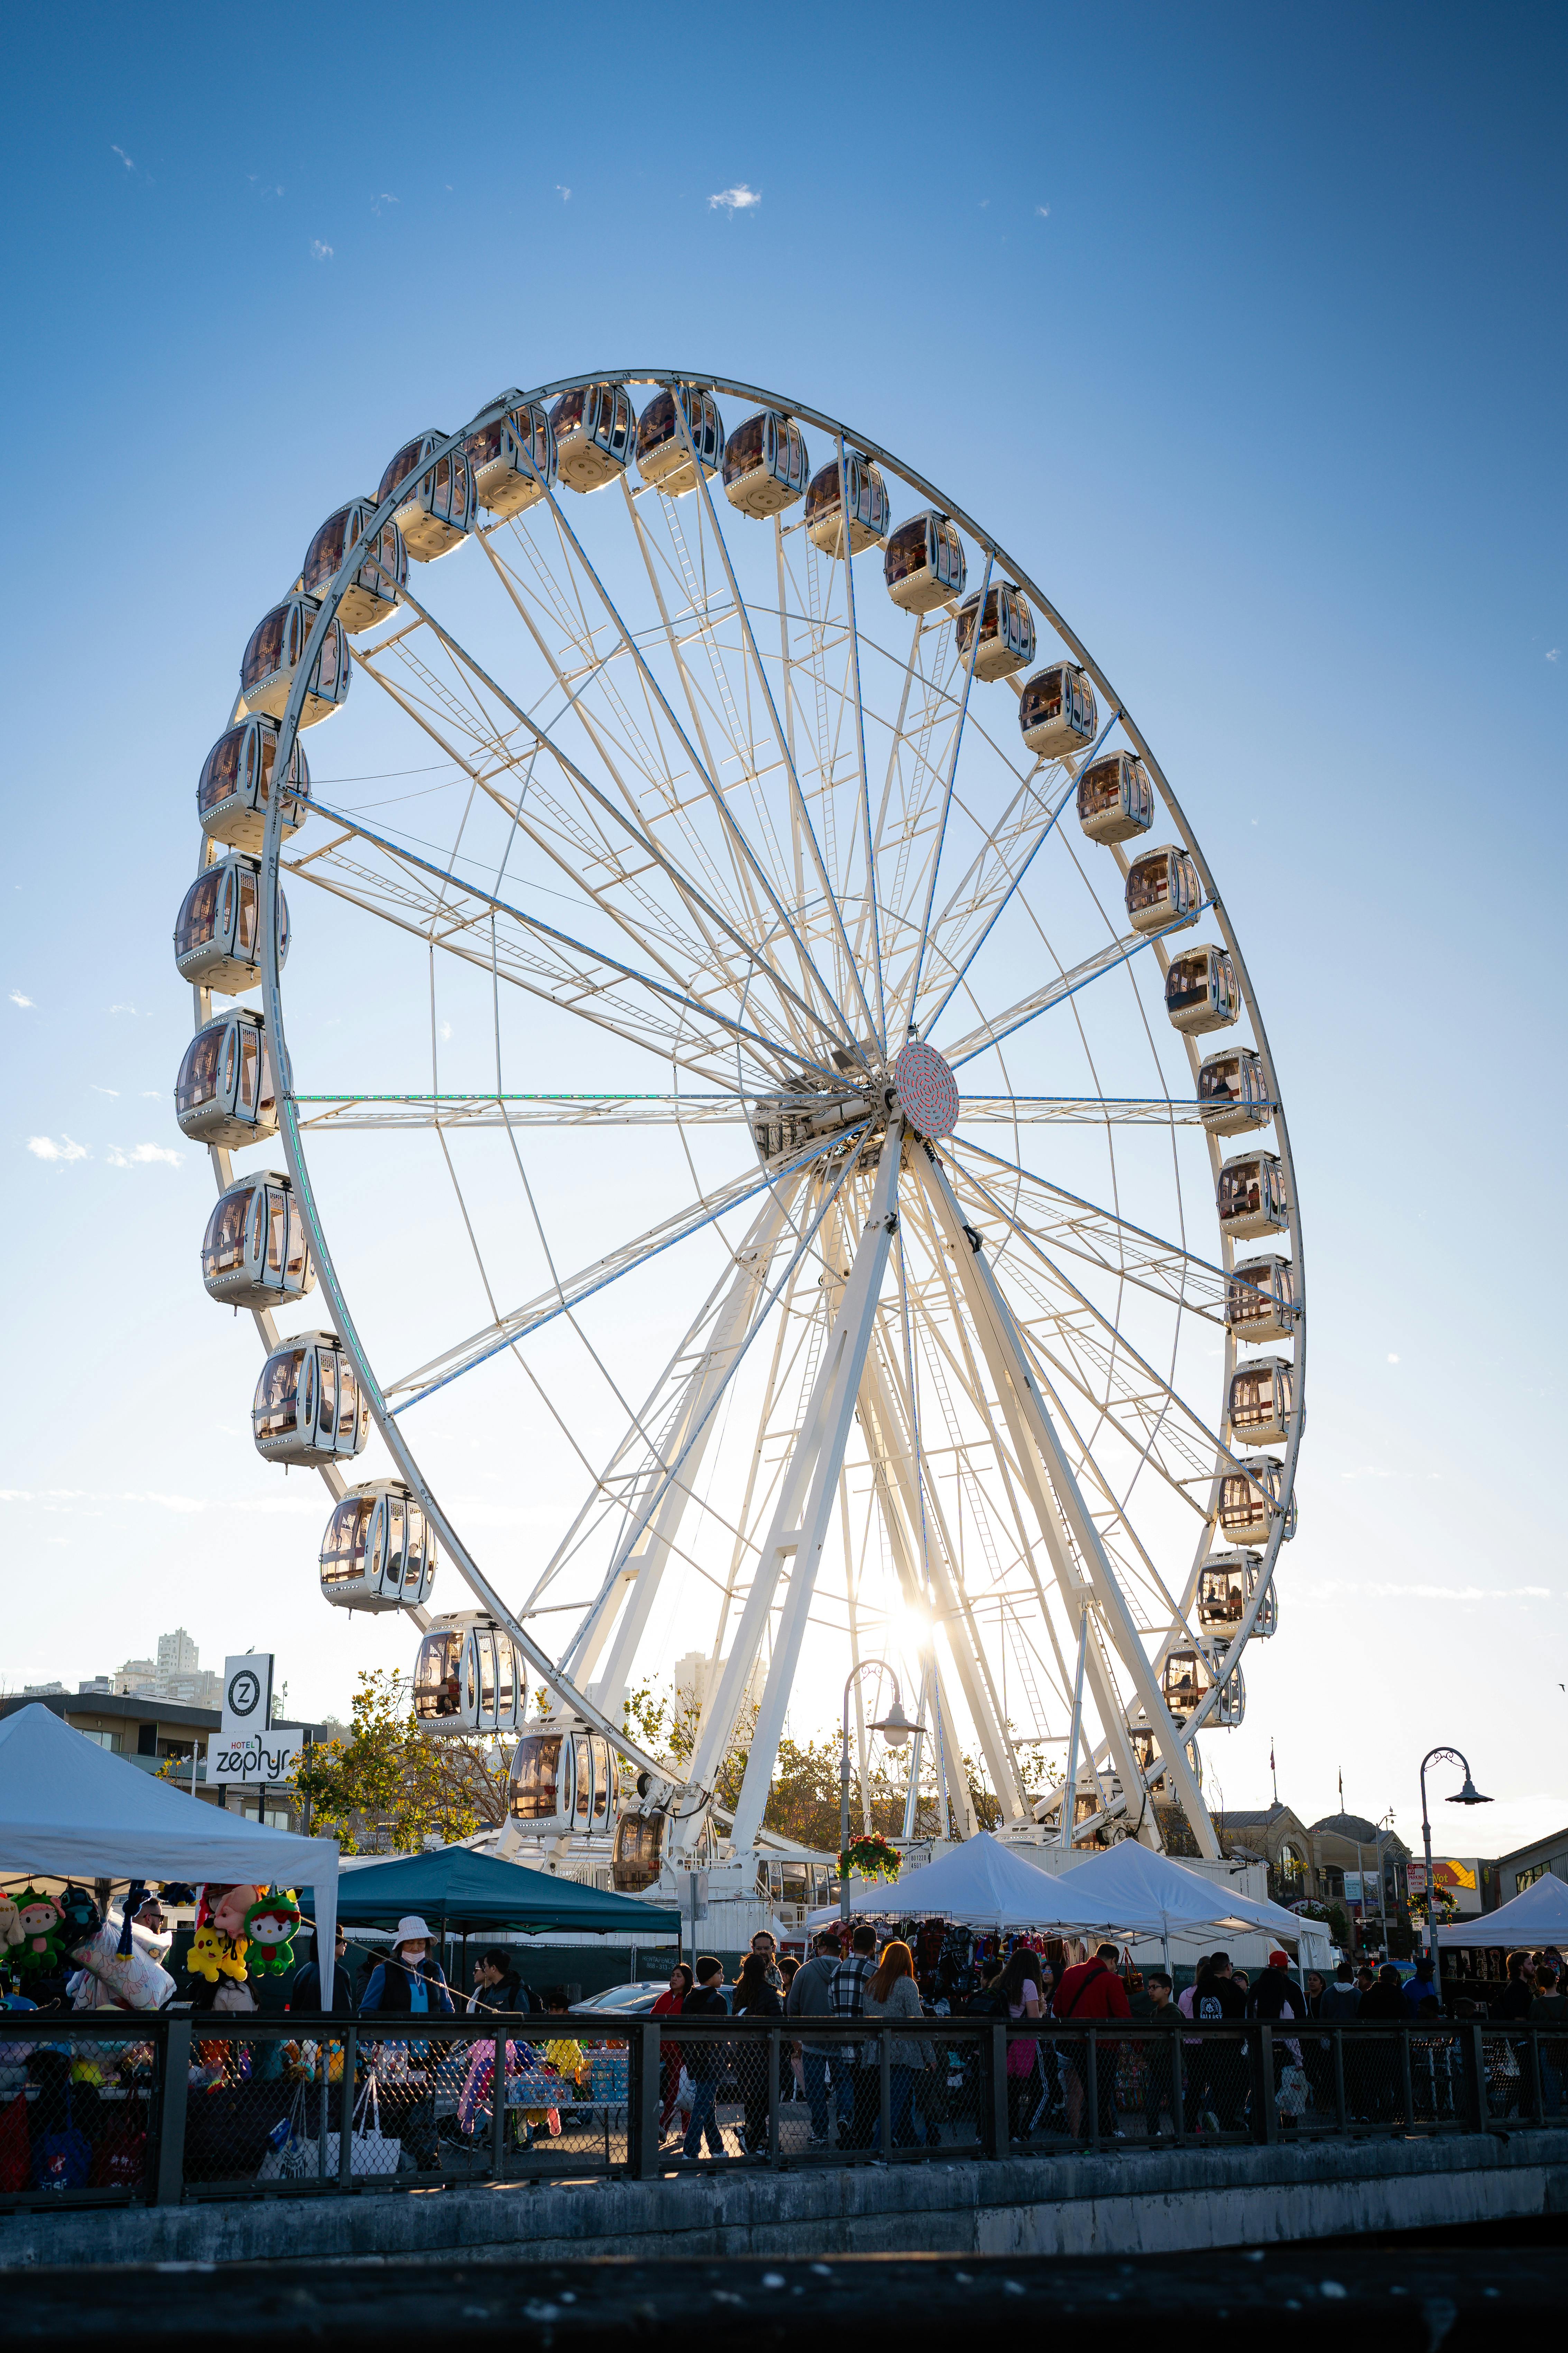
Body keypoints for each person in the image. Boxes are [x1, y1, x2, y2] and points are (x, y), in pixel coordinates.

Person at [358, 1917, 454, 2172]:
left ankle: (424, 2164)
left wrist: (441, 2049)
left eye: (420, 1943)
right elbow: (367, 2010)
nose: (415, 1948)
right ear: (400, 1944)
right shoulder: (384, 1970)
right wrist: (376, 2047)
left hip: (427, 2059)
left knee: (422, 2113)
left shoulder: (435, 1971)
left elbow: (447, 2010)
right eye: (410, 1943)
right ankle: (401, 2165)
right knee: (394, 2114)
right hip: (392, 2059)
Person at [861, 1940, 934, 2148]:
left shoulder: (872, 1984)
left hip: (876, 2053)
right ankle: (880, 2149)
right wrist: (930, 2055)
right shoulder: (906, 1985)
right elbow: (917, 2021)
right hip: (903, 2054)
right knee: (897, 2104)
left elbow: (867, 2017)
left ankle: (912, 2148)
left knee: (896, 2104)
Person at [1054, 1942, 1131, 2139]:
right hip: (1106, 2046)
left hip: (1076, 2044)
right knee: (1101, 2094)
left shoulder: (1070, 1973)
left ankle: (1098, 2137)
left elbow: (1057, 2010)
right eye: (1116, 1964)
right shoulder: (1112, 1980)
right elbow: (1123, 2017)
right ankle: (1091, 2140)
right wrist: (1137, 2047)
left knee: (1089, 2092)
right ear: (1113, 1960)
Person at [787, 1929, 846, 2147]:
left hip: (811, 2040)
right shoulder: (846, 1971)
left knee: (814, 2087)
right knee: (844, 2083)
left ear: (821, 1949)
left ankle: (820, 2131)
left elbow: (792, 2007)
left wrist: (798, 2035)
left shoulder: (805, 1971)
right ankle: (845, 2118)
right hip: (843, 2040)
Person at [986, 1947, 1044, 2144]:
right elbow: (1034, 2018)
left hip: (998, 2041)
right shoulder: (1028, 1984)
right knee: (1016, 2092)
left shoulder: (1001, 1980)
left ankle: (995, 2133)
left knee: (1000, 2091)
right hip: (1020, 2045)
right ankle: (1013, 2135)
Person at [678, 1956, 732, 2161]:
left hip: (694, 2060)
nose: (722, 1976)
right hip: (713, 2062)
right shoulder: (718, 2000)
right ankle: (690, 2151)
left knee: (707, 2105)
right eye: (719, 1973)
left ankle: (717, 2148)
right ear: (711, 1976)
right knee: (703, 2106)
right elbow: (722, 2034)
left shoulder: (689, 1999)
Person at [830, 1923, 880, 2147]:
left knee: (849, 2088)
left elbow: (831, 2006)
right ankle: (862, 2136)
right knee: (869, 2094)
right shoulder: (874, 1971)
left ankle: (850, 2132)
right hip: (868, 2046)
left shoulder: (837, 1971)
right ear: (872, 1947)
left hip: (842, 2043)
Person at [731, 1951, 784, 2154]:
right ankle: (755, 2135)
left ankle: (756, 2138)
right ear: (764, 1972)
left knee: (752, 2098)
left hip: (744, 2054)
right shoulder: (768, 1993)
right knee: (766, 2097)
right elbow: (778, 2021)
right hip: (765, 2055)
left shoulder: (740, 1993)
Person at [1191, 1951, 1247, 2132]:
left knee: (1209, 2087)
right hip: (1230, 2049)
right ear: (1228, 1967)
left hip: (1206, 2046)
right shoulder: (1232, 1989)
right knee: (1229, 2088)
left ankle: (1196, 2123)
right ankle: (1227, 2122)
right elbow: (1243, 2017)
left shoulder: (1200, 1989)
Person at [651, 1963, 691, 2142]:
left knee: (675, 2091)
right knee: (682, 2090)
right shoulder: (665, 1997)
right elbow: (653, 2016)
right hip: (664, 2053)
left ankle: (662, 2126)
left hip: (681, 2054)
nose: (674, 1978)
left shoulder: (689, 1999)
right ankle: (687, 2130)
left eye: (679, 1976)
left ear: (686, 1980)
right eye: (673, 1975)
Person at [1140, 1970, 1182, 2137]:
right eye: (1149, 1988)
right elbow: (1151, 2042)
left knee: (1175, 2107)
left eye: (1154, 1987)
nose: (1150, 1991)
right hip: (1157, 2069)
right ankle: (1154, 2136)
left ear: (1167, 1990)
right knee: (1151, 2106)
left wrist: (1144, 2055)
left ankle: (1182, 2136)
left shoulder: (1174, 2013)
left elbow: (1163, 2044)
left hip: (1173, 2069)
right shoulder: (1153, 2013)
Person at [288, 1925, 351, 2015]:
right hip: (326, 2028)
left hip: (301, 2028)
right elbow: (344, 2015)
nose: (345, 1943)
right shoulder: (339, 1974)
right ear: (331, 1942)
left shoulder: (302, 1973)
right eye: (342, 1938)